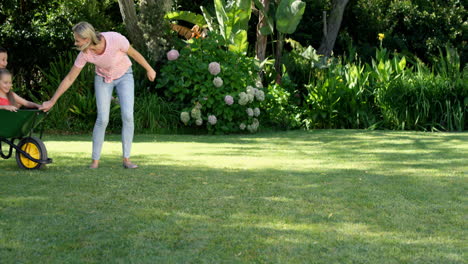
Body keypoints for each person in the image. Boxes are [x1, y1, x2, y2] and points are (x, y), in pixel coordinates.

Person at [39, 22, 156, 169]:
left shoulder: (115, 39)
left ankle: (127, 159)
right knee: (102, 119)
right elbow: (70, 78)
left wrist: (149, 69)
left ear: (87, 39)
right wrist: (52, 100)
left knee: (127, 116)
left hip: (124, 75)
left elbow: (133, 53)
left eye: (77, 40)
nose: (75, 43)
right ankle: (95, 161)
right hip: (103, 79)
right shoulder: (85, 54)